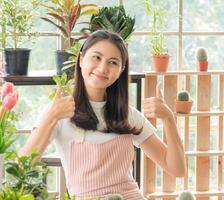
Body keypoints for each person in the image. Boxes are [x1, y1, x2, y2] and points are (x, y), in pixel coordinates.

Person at [19, 30, 186, 200]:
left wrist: (168, 119)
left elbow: (177, 169)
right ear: (81, 59)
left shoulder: (127, 114)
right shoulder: (59, 111)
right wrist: (51, 117)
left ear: (121, 70)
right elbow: (21, 169)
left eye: (113, 62)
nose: (102, 68)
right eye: (96, 57)